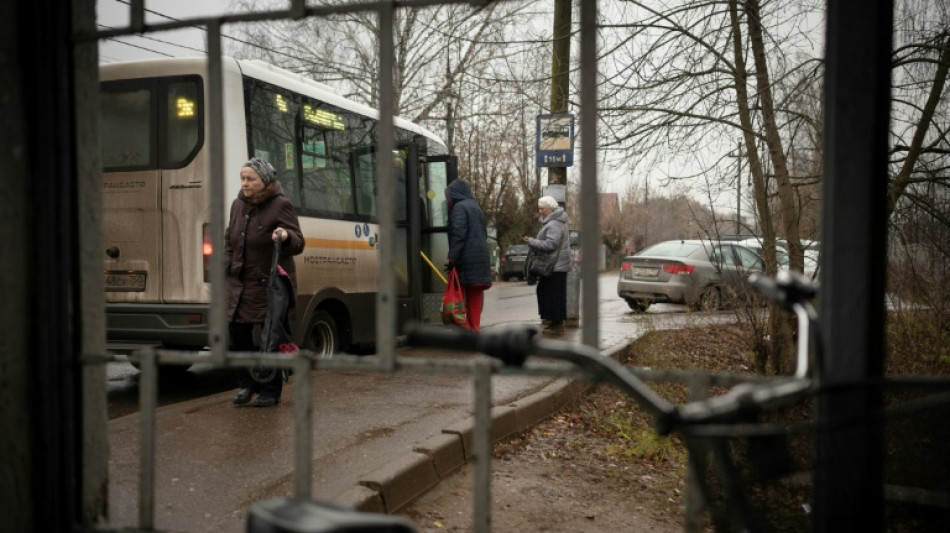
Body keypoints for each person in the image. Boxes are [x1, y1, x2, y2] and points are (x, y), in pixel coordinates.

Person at [226, 157, 305, 407]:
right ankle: (247, 385)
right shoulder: (237, 205)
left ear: (265, 181)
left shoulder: (281, 205)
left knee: (270, 338)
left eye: (251, 179)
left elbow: (299, 242)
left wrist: (285, 235)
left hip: (269, 284)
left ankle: (270, 390)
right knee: (237, 335)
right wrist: (225, 264)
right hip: (240, 284)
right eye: (242, 178)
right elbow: (230, 239)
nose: (245, 183)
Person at [445, 179, 493, 331]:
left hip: (466, 259)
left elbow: (459, 235)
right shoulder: (475, 207)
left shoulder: (459, 208)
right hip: (480, 258)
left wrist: (452, 258)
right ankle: (474, 329)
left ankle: (464, 330)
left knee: (461, 295)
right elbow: (483, 234)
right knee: (475, 297)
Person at [522, 196, 570, 335]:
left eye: (542, 208)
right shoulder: (555, 221)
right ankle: (552, 321)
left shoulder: (554, 223)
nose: (540, 211)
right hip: (556, 265)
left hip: (554, 266)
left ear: (549, 209)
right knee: (548, 293)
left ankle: (556, 324)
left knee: (552, 294)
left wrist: (531, 241)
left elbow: (551, 245)